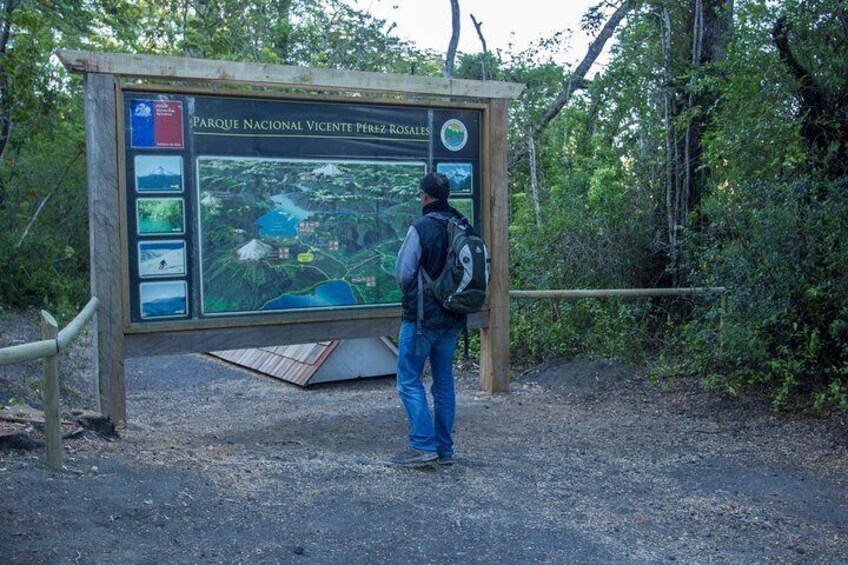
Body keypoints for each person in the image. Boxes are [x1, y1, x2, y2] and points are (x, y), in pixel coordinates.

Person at [390, 172, 465, 466]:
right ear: (447, 195)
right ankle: (444, 449)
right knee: (444, 382)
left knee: (409, 379)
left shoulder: (420, 228)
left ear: (424, 196)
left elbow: (403, 273)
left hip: (422, 320)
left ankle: (422, 444)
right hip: (453, 318)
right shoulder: (461, 225)